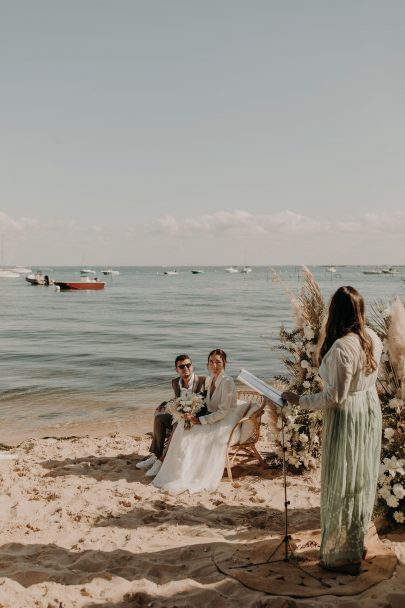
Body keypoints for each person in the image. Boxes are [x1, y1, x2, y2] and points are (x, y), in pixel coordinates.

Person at [282, 286, 383, 576]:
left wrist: (299, 400)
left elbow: (334, 396)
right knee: (359, 478)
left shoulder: (342, 347)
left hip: (348, 415)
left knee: (341, 479)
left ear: (335, 312)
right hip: (368, 408)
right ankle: (355, 541)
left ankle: (343, 555)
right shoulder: (373, 338)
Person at [152, 348, 241, 494]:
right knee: (182, 425)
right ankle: (170, 465)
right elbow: (204, 402)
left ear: (225, 363)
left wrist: (201, 420)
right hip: (211, 415)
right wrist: (190, 413)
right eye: (211, 362)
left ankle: (186, 471)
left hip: (225, 420)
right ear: (207, 364)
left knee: (193, 431)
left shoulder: (227, 381)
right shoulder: (210, 379)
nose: (214, 365)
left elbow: (224, 411)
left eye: (218, 362)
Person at [136, 354, 206, 477]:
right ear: (177, 370)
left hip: (194, 420)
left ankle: (160, 462)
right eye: (182, 366)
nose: (186, 368)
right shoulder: (175, 383)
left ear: (192, 366)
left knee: (177, 426)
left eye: (188, 365)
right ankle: (156, 455)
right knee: (159, 419)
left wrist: (193, 416)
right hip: (179, 417)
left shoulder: (203, 381)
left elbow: (208, 403)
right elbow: (176, 399)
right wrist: (164, 404)